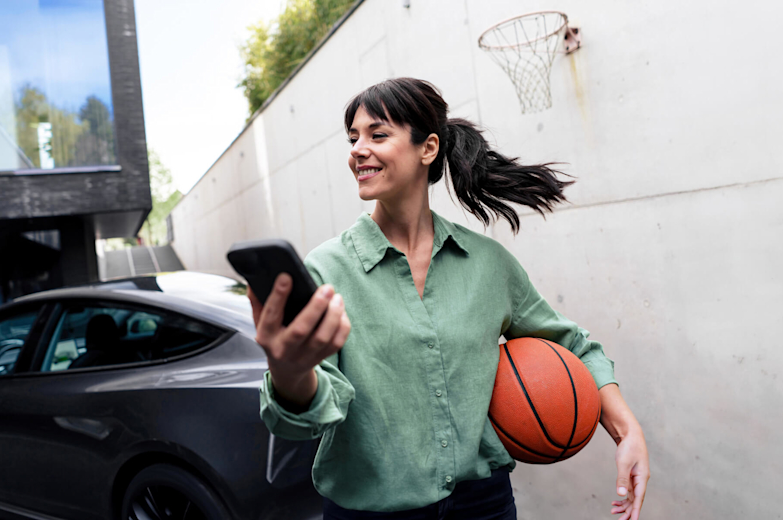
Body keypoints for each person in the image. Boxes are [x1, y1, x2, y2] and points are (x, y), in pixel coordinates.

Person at [248, 78, 648, 520]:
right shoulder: (327, 269)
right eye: (353, 138)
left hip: (485, 506)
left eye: (377, 135)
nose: (358, 149)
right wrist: (288, 371)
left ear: (428, 148)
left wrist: (626, 430)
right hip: (370, 511)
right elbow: (304, 415)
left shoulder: (488, 264)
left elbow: (573, 344)